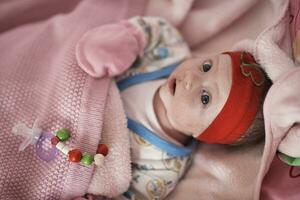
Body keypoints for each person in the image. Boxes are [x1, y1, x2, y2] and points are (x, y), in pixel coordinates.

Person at [76, 16, 270, 200]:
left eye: (205, 98)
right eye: (206, 67)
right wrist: (124, 42)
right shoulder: (169, 52)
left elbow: (125, 193)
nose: (192, 78)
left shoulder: (163, 169)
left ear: (202, 132)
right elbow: (150, 31)